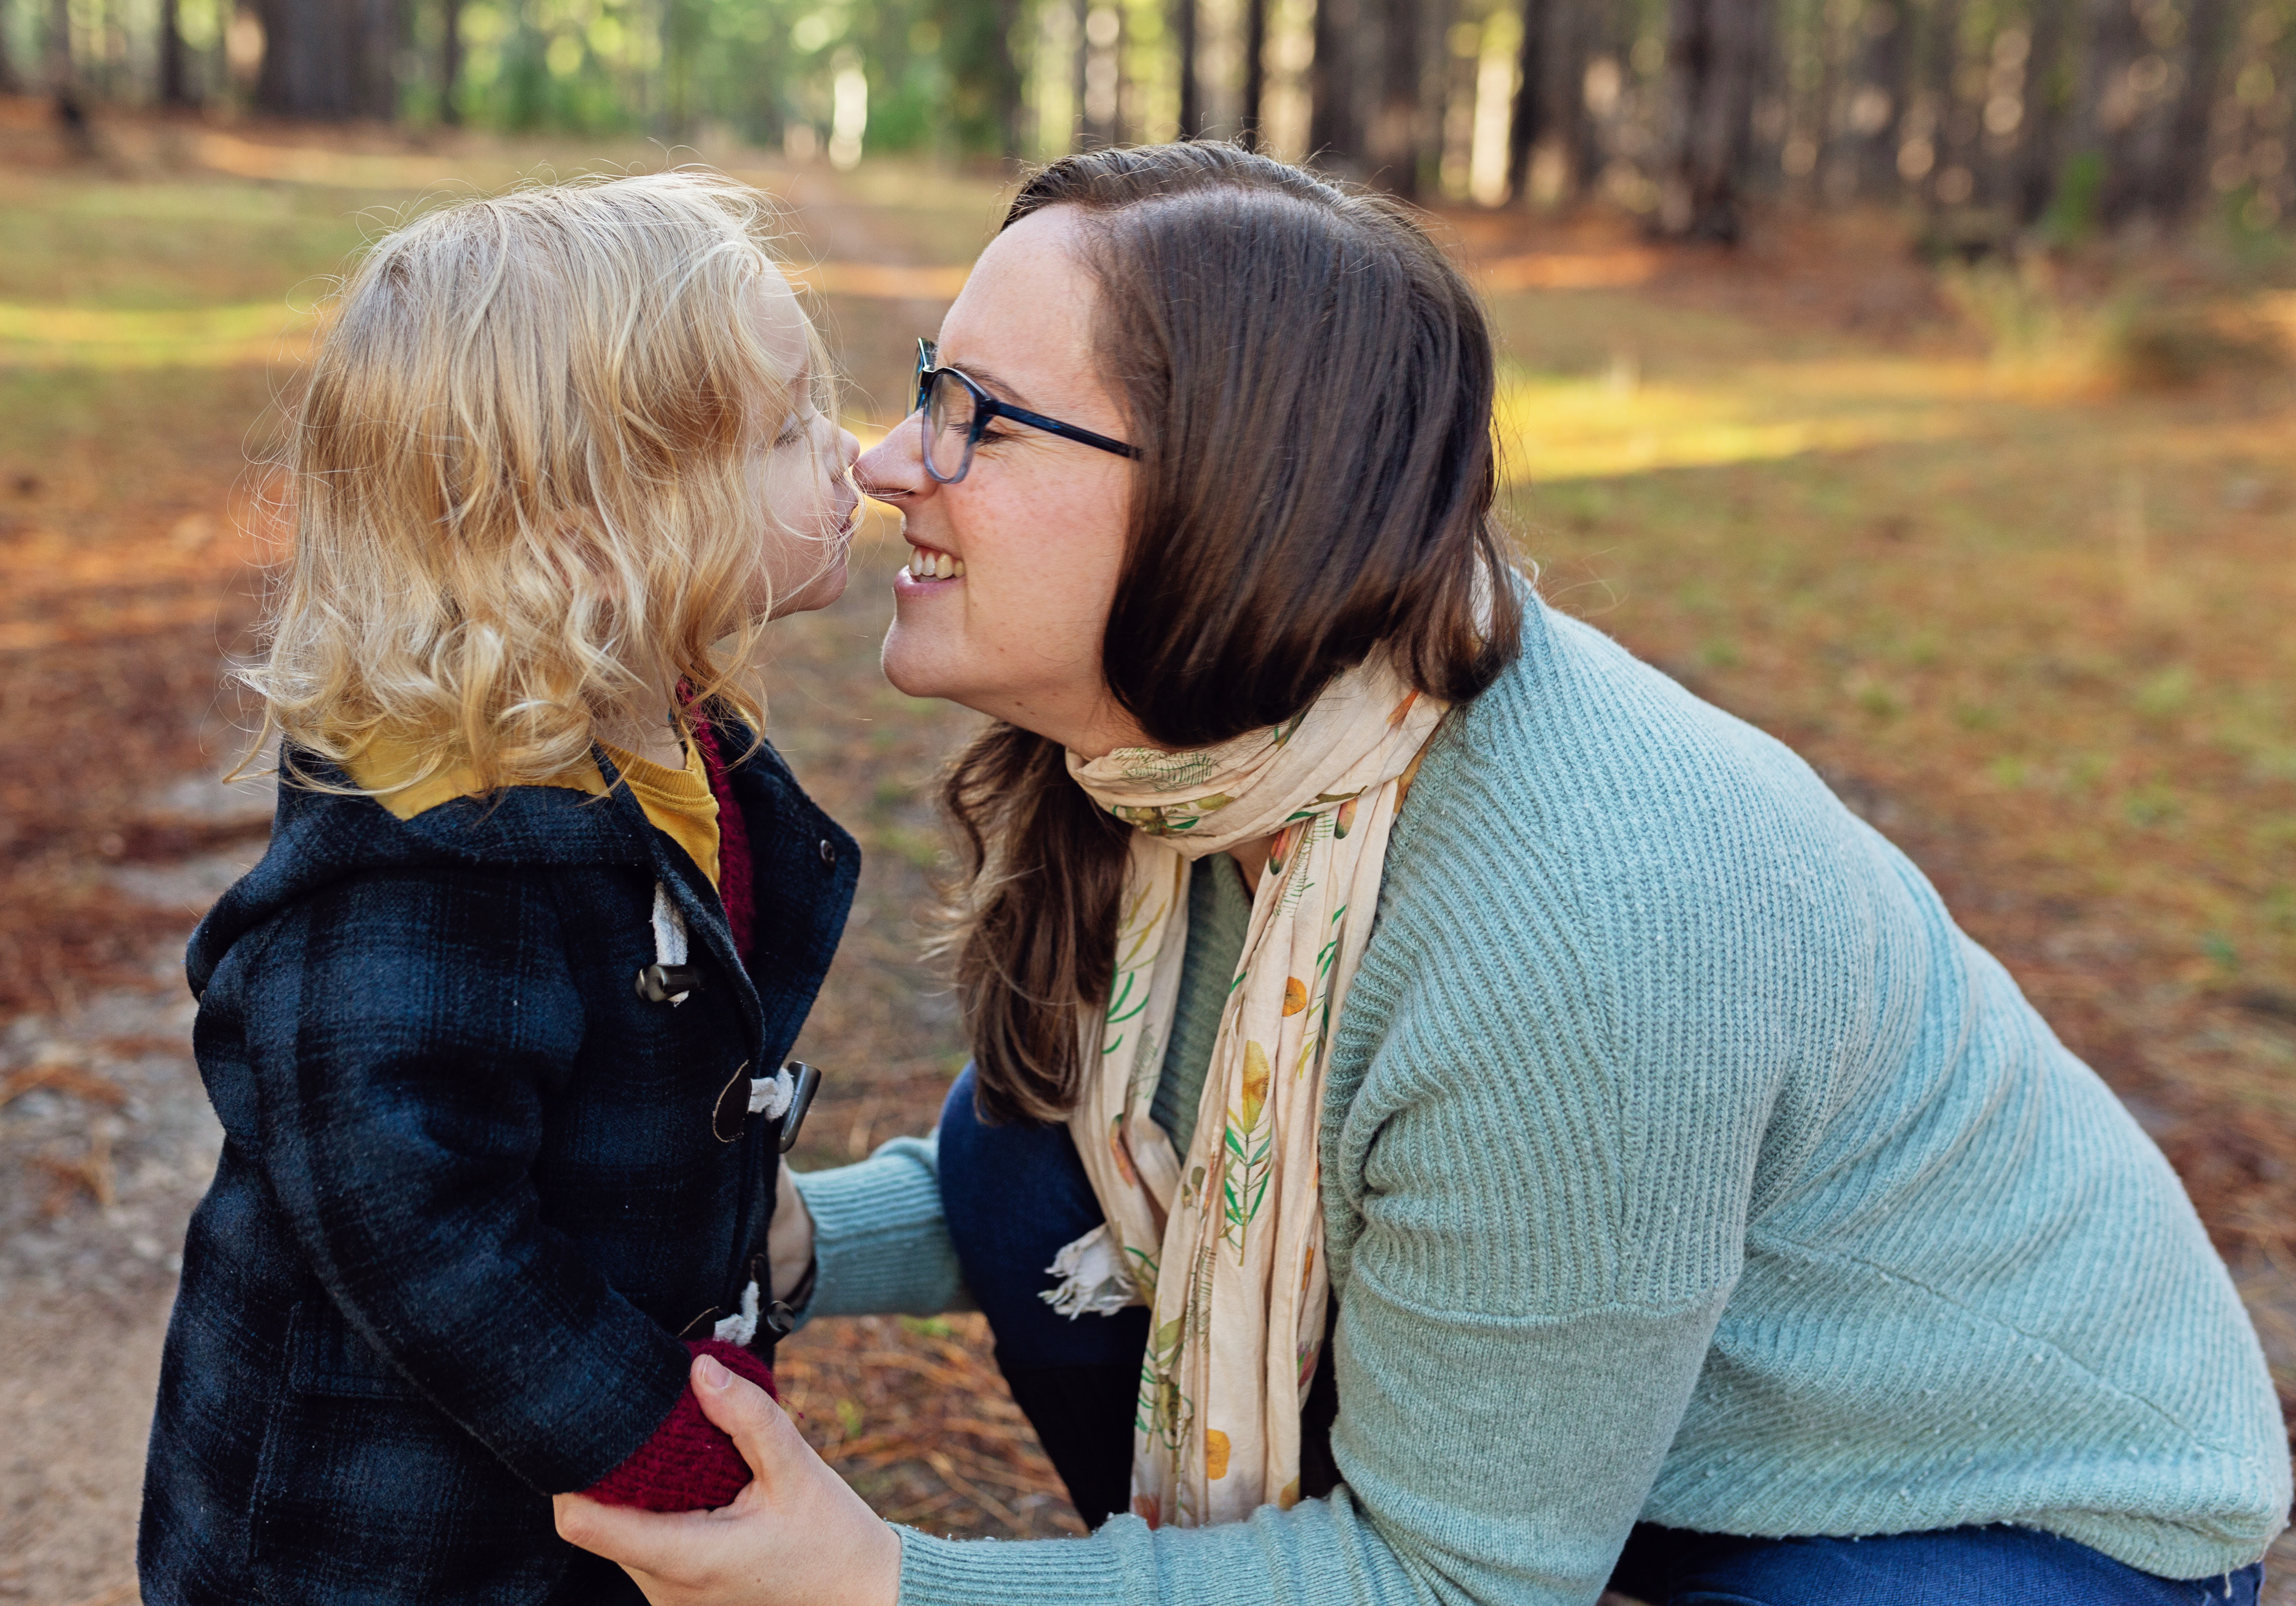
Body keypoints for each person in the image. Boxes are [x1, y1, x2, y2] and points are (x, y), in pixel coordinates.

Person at [551, 142, 2288, 1606]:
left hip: (1957, 1503)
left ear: (1231, 500)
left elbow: (1460, 1585)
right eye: (928, 382)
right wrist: (768, 1235)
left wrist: (889, 1581)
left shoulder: (1574, 933)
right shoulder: (1186, 754)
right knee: (1023, 1163)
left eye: (979, 419)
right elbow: (1076, 1182)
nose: (883, 463)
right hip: (1621, 1432)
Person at [140, 171, 864, 1604]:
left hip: (543, 1502)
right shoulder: (435, 853)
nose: (848, 456)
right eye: (785, 434)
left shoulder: (666, 734)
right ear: (592, 531)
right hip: (373, 1540)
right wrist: (648, 1432)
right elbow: (410, 1217)